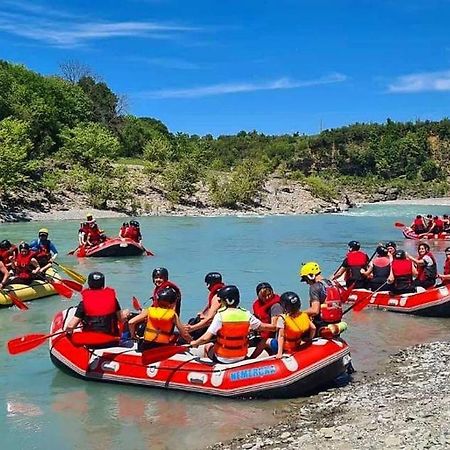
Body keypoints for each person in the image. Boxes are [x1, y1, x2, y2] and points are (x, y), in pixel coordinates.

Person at [190, 285, 274, 364]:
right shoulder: (246, 314)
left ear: (226, 301)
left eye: (220, 301)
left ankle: (212, 370)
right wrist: (279, 327)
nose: (220, 303)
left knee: (208, 346)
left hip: (223, 359)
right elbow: (264, 327)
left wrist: (195, 343)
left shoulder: (220, 316)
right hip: (241, 357)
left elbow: (205, 338)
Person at [128, 287, 191, 351]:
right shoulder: (173, 315)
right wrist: (192, 341)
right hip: (161, 347)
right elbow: (184, 334)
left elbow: (131, 322)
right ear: (172, 303)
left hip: (146, 346)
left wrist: (133, 335)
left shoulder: (149, 310)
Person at [268, 291, 316, 359]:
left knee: (265, 342)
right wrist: (310, 339)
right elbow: (313, 328)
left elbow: (281, 336)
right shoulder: (304, 315)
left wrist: (280, 353)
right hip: (298, 343)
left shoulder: (282, 319)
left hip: (287, 347)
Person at [299, 262, 343, 329]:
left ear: (310, 276)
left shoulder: (314, 287)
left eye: (305, 279)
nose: (307, 282)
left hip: (322, 325)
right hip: (337, 323)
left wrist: (299, 313)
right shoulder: (333, 284)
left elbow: (315, 310)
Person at [185, 272, 224, 340]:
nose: (207, 286)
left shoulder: (217, 297)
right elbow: (209, 308)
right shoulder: (223, 293)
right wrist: (203, 314)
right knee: (193, 320)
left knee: (194, 325)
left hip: (216, 327)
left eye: (207, 284)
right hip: (219, 322)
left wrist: (192, 328)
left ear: (210, 284)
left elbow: (209, 319)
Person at [249, 282, 283, 358]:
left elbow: (274, 327)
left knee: (263, 342)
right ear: (258, 296)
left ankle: (250, 359)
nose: (267, 298)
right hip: (263, 334)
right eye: (263, 296)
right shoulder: (257, 305)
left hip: (277, 339)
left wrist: (257, 326)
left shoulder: (276, 306)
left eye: (269, 295)